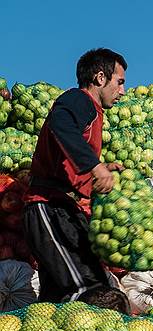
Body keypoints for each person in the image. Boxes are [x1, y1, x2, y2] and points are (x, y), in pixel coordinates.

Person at [22, 48, 127, 302]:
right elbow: (61, 124)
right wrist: (95, 166)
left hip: (63, 207)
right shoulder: (79, 100)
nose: (122, 92)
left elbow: (67, 162)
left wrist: (102, 169)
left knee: (69, 288)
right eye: (120, 82)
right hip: (45, 206)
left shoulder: (94, 113)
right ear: (100, 78)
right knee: (86, 289)